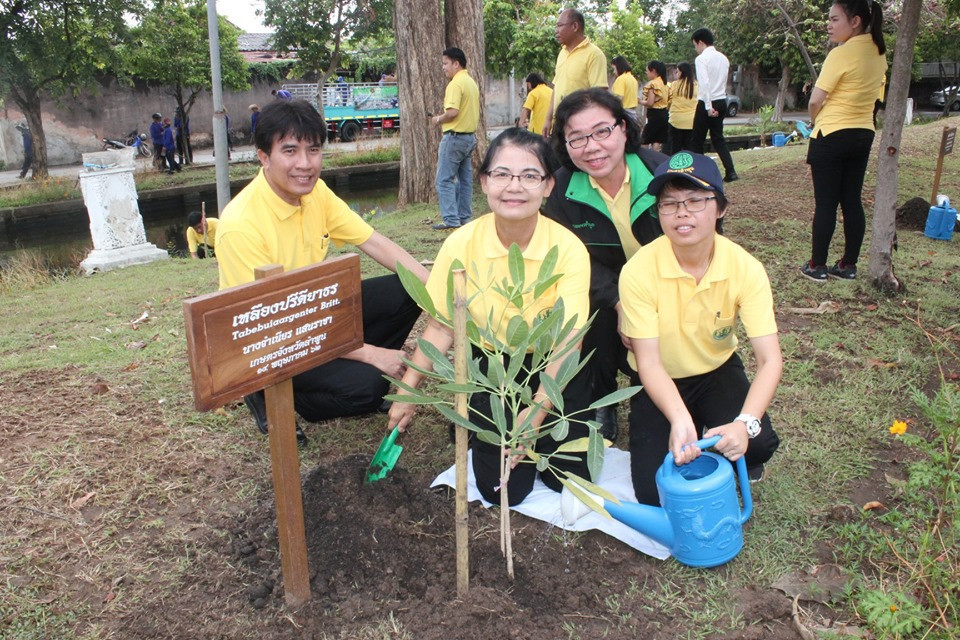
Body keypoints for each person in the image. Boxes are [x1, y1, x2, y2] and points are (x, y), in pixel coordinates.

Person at [388, 128, 593, 506]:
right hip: (492, 368)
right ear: (483, 181)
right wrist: (408, 392)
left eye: (530, 176)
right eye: (501, 174)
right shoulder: (461, 243)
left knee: (571, 480)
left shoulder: (567, 248)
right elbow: (440, 324)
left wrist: (533, 414)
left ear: (548, 186)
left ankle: (543, 429)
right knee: (504, 493)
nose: (514, 187)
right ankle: (479, 422)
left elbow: (569, 339)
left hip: (550, 367)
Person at [216, 99, 429, 444]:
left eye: (313, 150)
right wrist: (372, 354)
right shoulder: (241, 226)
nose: (305, 164)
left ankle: (355, 366)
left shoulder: (316, 193)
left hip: (317, 312)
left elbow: (374, 241)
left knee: (407, 289)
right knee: (370, 389)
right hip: (273, 340)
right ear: (263, 156)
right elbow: (273, 328)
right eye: (290, 151)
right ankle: (272, 396)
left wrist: (435, 289)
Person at [619, 151, 782, 506]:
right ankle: (691, 423)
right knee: (652, 491)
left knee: (757, 443)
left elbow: (770, 361)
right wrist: (678, 417)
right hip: (660, 376)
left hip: (716, 369)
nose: (682, 213)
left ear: (720, 208)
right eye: (670, 203)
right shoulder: (638, 271)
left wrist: (745, 424)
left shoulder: (745, 268)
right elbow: (648, 362)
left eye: (695, 201)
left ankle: (723, 433)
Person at [543, 88, 667, 441]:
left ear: (624, 129)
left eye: (602, 131)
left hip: (666, 283)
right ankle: (603, 397)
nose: (592, 147)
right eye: (577, 138)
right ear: (564, 145)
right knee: (585, 308)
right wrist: (619, 300)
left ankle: (669, 385)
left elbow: (700, 239)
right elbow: (574, 258)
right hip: (605, 289)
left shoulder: (663, 174)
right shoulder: (560, 191)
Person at [800, 0, 887, 282]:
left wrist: (815, 120)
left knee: (826, 203)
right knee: (851, 200)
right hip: (863, 133)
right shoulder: (879, 53)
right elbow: (878, 99)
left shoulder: (841, 53)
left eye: (835, 19)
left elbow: (815, 100)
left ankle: (817, 265)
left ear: (856, 21)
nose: (829, 24)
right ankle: (848, 266)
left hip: (832, 133)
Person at [431, 47, 480, 231]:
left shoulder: (455, 84)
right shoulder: (471, 82)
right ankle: (465, 217)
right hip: (469, 139)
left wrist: (438, 119)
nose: (443, 67)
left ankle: (451, 219)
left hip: (454, 138)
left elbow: (452, 112)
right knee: (465, 180)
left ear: (456, 63)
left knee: (444, 180)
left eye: (445, 63)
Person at [542, 8, 608, 136]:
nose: (556, 31)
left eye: (560, 25)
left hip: (581, 126)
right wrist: (548, 119)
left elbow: (599, 95)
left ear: (575, 26)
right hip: (559, 123)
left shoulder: (594, 55)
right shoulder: (562, 53)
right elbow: (556, 88)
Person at [690, 28, 738, 182]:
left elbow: (704, 84)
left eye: (695, 45)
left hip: (707, 102)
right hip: (721, 100)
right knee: (718, 138)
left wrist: (709, 107)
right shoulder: (724, 58)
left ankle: (699, 174)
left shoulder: (701, 59)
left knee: (697, 140)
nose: (695, 49)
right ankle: (730, 172)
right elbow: (722, 82)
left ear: (701, 42)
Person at [667, 62, 698, 154]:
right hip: (691, 121)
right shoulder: (696, 85)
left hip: (676, 121)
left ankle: (675, 167)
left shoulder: (674, 85)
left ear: (682, 72)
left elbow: (668, 101)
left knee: (675, 149)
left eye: (677, 72)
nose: (676, 74)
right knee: (689, 149)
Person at [640, 60, 669, 150]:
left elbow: (650, 103)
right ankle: (654, 161)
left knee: (645, 139)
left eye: (647, 71)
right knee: (657, 140)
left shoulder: (653, 84)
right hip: (664, 113)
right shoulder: (665, 84)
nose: (646, 73)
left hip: (655, 115)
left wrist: (640, 101)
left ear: (653, 71)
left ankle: (643, 160)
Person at [610, 56, 640, 121]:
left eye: (614, 69)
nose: (614, 72)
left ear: (619, 67)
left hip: (624, 113)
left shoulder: (621, 79)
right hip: (633, 113)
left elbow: (618, 98)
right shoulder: (633, 79)